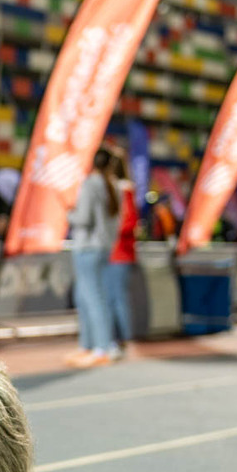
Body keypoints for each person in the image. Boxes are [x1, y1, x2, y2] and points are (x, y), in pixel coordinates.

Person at [65, 148, 121, 367]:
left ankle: (101, 348)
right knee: (87, 296)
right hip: (103, 247)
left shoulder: (91, 183)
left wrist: (68, 212)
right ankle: (89, 346)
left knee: (92, 297)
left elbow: (83, 218)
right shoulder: (114, 184)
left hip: (87, 247)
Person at [104, 161, 137, 357]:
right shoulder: (123, 190)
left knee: (116, 298)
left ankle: (121, 338)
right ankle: (117, 338)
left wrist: (107, 231)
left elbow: (128, 222)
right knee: (113, 298)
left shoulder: (123, 190)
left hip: (119, 253)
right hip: (115, 253)